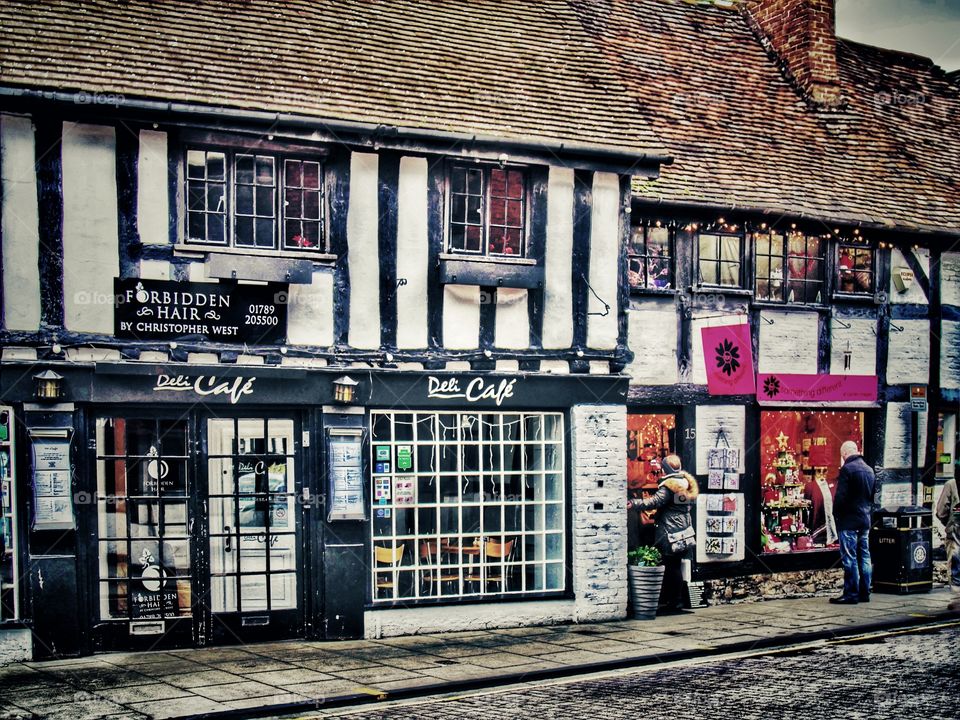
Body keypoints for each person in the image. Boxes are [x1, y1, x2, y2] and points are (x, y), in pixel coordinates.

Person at [627, 454, 699, 613]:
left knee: (670, 565)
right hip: (683, 530)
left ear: (666, 468)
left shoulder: (669, 486)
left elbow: (654, 502)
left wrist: (633, 503)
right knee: (676, 565)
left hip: (670, 531)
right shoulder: (686, 484)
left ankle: (673, 602)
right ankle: (676, 600)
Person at [830, 440, 876, 604]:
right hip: (864, 520)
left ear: (844, 454)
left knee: (849, 558)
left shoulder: (847, 469)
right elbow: (872, 497)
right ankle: (865, 593)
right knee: (864, 556)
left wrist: (836, 514)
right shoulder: (869, 470)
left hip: (849, 521)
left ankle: (851, 594)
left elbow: (840, 497)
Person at [935, 476, 960, 592]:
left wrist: (950, 524)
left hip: (955, 533)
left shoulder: (951, 484)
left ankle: (957, 598)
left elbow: (941, 511)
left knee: (955, 568)